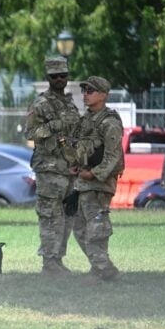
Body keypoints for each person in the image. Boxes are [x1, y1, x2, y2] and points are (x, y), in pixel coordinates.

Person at [24, 56, 81, 276]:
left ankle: (57, 260)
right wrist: (55, 125)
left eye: (63, 75)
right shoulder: (40, 104)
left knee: (68, 216)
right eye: (55, 76)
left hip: (69, 169)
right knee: (50, 215)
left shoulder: (70, 103)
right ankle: (49, 261)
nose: (59, 79)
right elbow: (31, 133)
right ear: (48, 77)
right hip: (49, 169)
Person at [67, 76, 124, 283]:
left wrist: (93, 173)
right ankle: (100, 268)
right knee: (79, 228)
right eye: (84, 91)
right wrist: (76, 165)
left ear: (103, 95)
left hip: (99, 184)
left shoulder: (109, 123)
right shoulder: (86, 120)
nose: (85, 95)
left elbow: (112, 156)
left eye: (90, 91)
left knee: (96, 229)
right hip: (83, 182)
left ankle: (103, 270)